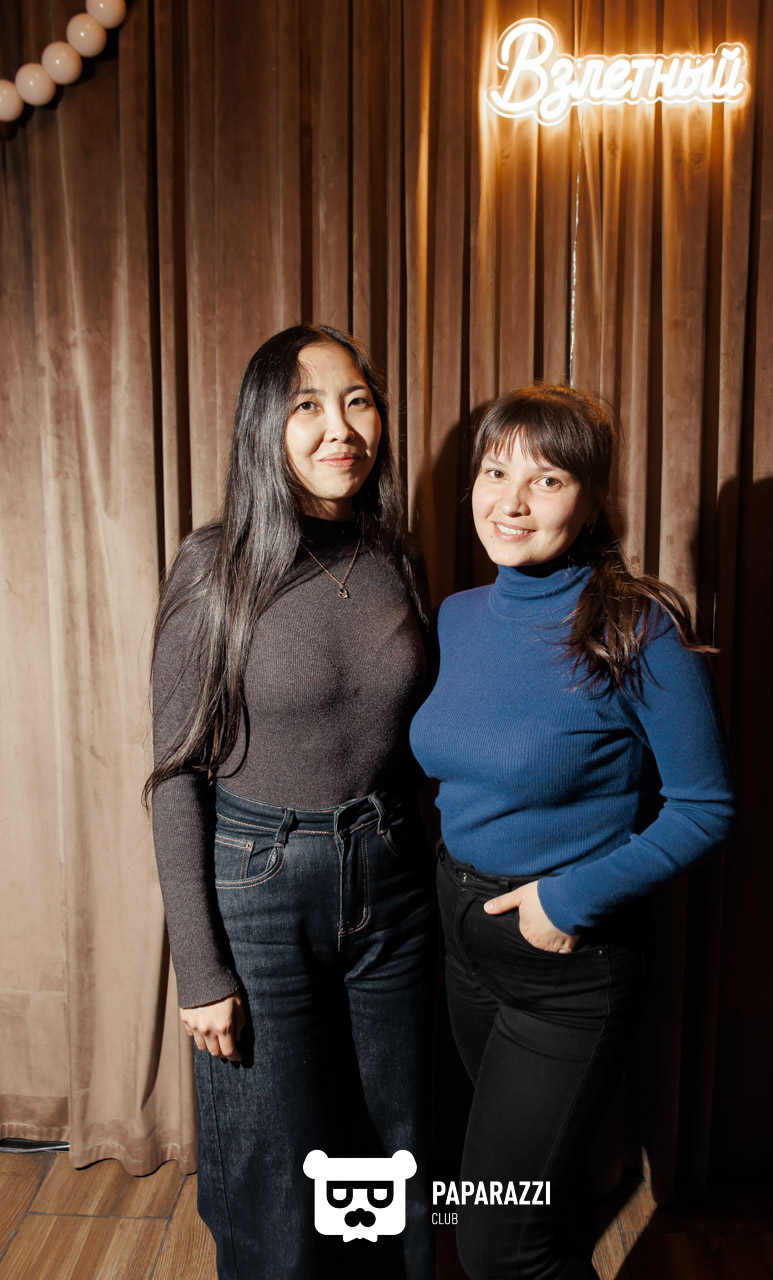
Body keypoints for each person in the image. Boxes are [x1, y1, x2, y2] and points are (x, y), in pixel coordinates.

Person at [410, 384, 736, 1280]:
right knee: (534, 1209)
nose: (510, 502)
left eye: (546, 480)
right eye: (495, 472)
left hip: (567, 964)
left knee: (496, 1243)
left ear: (591, 501)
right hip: (463, 942)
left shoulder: (634, 629)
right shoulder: (457, 617)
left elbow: (705, 807)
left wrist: (565, 899)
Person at [146, 324, 434, 1280]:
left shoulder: (396, 557)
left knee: (391, 1147)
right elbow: (175, 775)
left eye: (357, 400)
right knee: (270, 1169)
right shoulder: (214, 566)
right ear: (263, 425)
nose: (339, 427)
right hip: (259, 884)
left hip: (391, 877)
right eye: (307, 405)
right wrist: (200, 970)